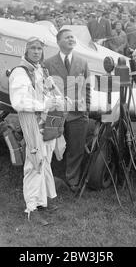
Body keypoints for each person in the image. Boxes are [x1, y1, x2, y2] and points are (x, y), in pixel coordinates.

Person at [9, 37, 65, 226]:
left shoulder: (41, 69)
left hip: (47, 123)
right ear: (25, 51)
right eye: (32, 48)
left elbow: (50, 91)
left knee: (46, 162)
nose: (36, 51)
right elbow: (18, 102)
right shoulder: (20, 72)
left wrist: (58, 99)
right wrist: (44, 104)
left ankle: (44, 201)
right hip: (33, 124)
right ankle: (31, 209)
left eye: (39, 48)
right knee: (35, 164)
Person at [44, 29, 91, 192]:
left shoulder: (82, 62)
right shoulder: (48, 63)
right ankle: (47, 179)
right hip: (55, 112)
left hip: (78, 114)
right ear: (58, 42)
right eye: (67, 37)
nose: (71, 39)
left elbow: (88, 87)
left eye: (73, 36)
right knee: (49, 146)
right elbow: (45, 89)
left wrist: (86, 110)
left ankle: (73, 180)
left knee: (76, 148)